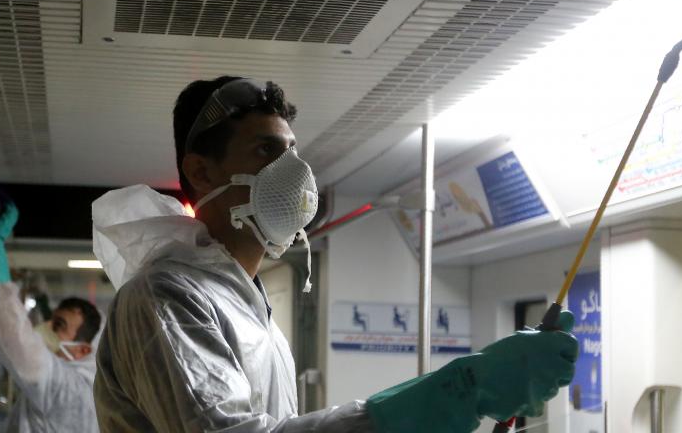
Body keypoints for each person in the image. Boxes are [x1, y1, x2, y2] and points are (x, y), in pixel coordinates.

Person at [92, 76, 578, 432]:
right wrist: (454, 394)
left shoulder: (247, 303)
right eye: (266, 151)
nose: (295, 171)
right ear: (200, 173)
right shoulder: (165, 298)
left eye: (292, 151)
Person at [0, 198, 103, 432]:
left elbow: (9, 329)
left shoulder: (69, 391)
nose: (44, 328)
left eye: (58, 325)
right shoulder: (88, 386)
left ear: (81, 349)